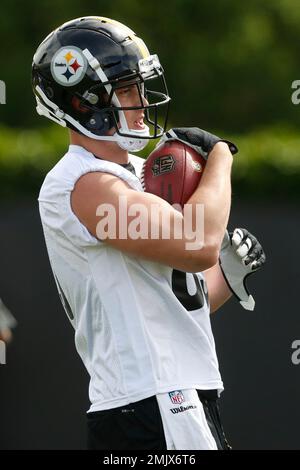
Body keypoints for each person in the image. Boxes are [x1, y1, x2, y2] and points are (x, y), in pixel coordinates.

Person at [32, 16, 266, 450]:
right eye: (125, 90)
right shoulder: (82, 183)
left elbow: (165, 307)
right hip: (148, 400)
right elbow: (196, 244)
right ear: (85, 103)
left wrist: (225, 281)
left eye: (139, 87)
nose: (140, 102)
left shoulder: (135, 174)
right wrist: (220, 157)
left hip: (178, 395)